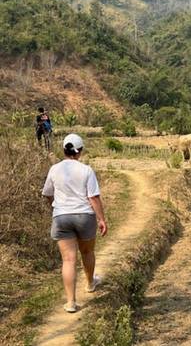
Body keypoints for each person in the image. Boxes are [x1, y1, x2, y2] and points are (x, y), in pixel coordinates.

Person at [42, 134, 108, 313]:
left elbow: (47, 193)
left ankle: (71, 302)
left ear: (64, 150)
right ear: (80, 151)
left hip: (61, 218)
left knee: (68, 260)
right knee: (87, 252)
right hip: (84, 217)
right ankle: (90, 283)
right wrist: (101, 219)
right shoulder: (86, 170)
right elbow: (93, 197)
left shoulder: (54, 169)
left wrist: (56, 206)